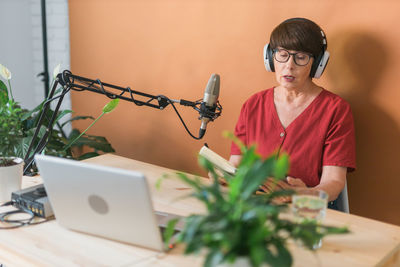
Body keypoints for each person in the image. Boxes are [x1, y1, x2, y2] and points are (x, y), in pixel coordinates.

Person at [230, 18, 356, 205]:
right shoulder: (253, 104)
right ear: (270, 57)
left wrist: (304, 194)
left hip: (302, 213)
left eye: (301, 57)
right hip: (252, 208)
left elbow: (334, 182)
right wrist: (222, 175)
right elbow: (236, 164)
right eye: (282, 54)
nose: (289, 65)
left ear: (317, 64)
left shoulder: (336, 110)